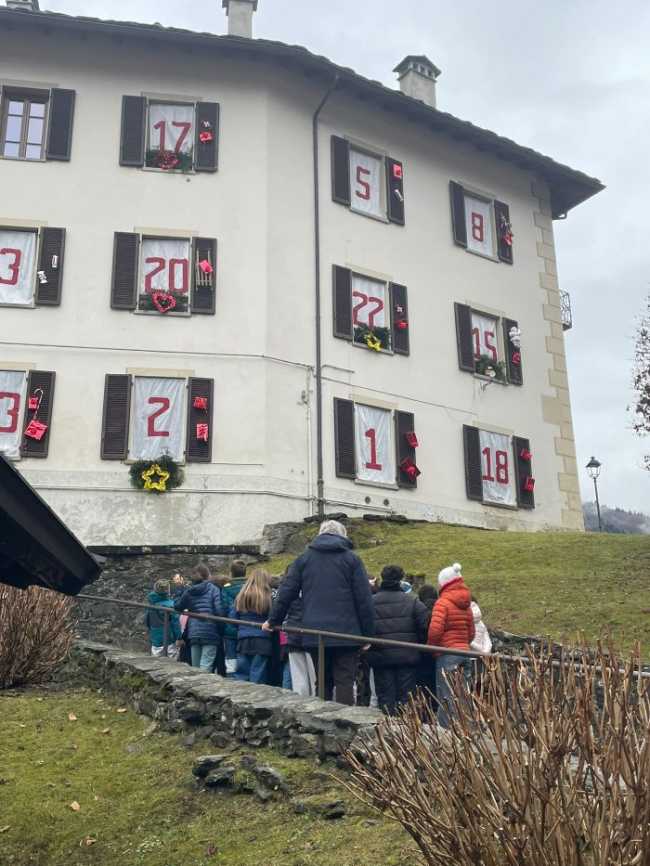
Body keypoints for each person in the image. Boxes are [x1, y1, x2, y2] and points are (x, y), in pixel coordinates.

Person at [263, 519, 374, 706]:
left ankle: (322, 723)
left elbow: (286, 592)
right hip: (346, 631)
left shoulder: (304, 559)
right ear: (342, 535)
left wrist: (273, 620)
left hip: (314, 631)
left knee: (322, 680)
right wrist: (368, 634)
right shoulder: (352, 559)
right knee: (345, 680)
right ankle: (345, 724)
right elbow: (364, 599)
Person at [366, 565, 430, 715]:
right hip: (407, 655)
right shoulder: (412, 602)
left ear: (382, 578)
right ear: (400, 579)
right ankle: (406, 733)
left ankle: (386, 732)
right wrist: (417, 644)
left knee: (385, 697)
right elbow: (425, 625)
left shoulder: (371, 602)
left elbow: (365, 625)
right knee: (406, 698)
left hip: (380, 656)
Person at [427, 562, 475, 728]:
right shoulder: (467, 604)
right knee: (464, 693)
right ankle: (468, 728)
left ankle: (447, 732)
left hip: (447, 653)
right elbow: (471, 633)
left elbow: (435, 630)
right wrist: (463, 645)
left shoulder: (443, 603)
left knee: (446, 694)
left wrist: (432, 648)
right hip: (465, 652)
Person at [174, 563, 223, 672]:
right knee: (206, 665)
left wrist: (178, 591)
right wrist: (220, 628)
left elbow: (178, 606)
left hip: (194, 631)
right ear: (207, 575)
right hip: (210, 631)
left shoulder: (189, 591)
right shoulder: (214, 589)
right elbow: (219, 611)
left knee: (195, 666)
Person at [230, 569, 274, 684]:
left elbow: (232, 618)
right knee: (258, 674)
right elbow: (272, 618)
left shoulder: (241, 596)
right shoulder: (268, 596)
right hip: (262, 639)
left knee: (241, 674)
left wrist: (241, 629)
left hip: (243, 638)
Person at [221, 560, 248, 676]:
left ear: (231, 573)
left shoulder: (226, 588)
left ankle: (231, 679)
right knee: (245, 658)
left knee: (231, 658)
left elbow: (223, 608)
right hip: (246, 627)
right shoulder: (250, 586)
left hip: (229, 628)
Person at [145, 579, 182, 658]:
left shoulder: (150, 605)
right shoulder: (171, 605)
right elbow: (175, 624)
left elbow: (147, 621)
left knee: (156, 663)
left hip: (155, 640)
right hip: (169, 640)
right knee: (172, 665)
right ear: (168, 591)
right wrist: (179, 637)